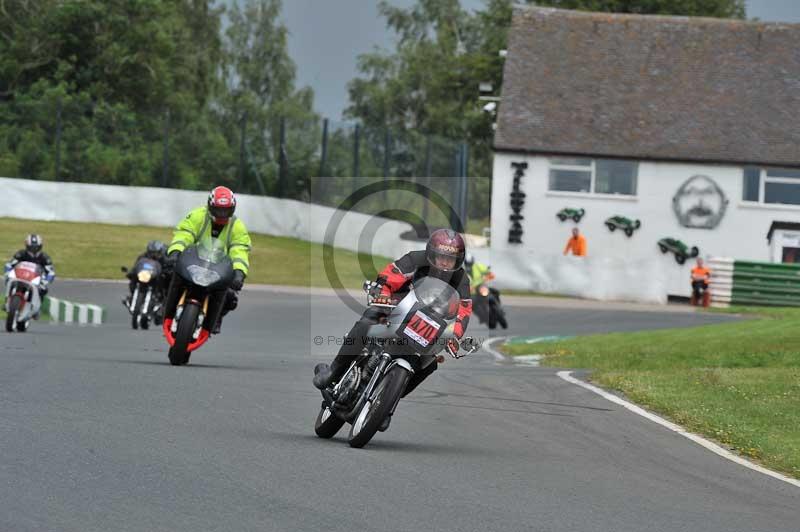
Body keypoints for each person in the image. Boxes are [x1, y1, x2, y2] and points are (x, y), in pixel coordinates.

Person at [313, 228, 473, 430]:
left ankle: (387, 403)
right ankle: (334, 371)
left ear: (458, 261)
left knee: (431, 362)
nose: (444, 263)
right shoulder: (416, 259)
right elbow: (390, 275)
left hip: (431, 324)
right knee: (369, 320)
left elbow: (463, 310)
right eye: (441, 257)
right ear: (431, 253)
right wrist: (383, 294)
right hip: (399, 307)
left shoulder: (461, 279)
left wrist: (455, 335)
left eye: (450, 259)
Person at [163, 186, 252, 334]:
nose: (222, 215)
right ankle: (166, 306)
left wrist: (239, 273)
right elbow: (185, 234)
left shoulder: (238, 226)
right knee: (167, 273)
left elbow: (240, 250)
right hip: (193, 261)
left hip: (218, 268)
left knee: (231, 297)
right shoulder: (198, 215)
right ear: (210, 207)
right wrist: (175, 252)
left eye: (226, 211)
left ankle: (216, 318)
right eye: (218, 210)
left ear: (233, 209)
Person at [4, 234, 56, 306]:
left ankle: (37, 307)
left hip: (36, 279)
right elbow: (10, 264)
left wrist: (46, 281)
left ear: (40, 246)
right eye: (31, 247)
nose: (34, 249)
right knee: (8, 281)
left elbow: (51, 272)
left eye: (36, 247)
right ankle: (7, 301)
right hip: (20, 276)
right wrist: (7, 272)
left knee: (43, 289)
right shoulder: (21, 253)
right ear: (27, 246)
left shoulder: (45, 257)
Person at [123, 240, 169, 307]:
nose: (153, 254)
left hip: (155, 277)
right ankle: (132, 296)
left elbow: (166, 268)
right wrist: (131, 272)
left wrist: (165, 273)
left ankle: (160, 299)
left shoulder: (163, 258)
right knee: (134, 278)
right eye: (151, 252)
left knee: (164, 282)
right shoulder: (142, 256)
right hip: (143, 275)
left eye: (155, 253)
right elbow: (137, 265)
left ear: (159, 252)